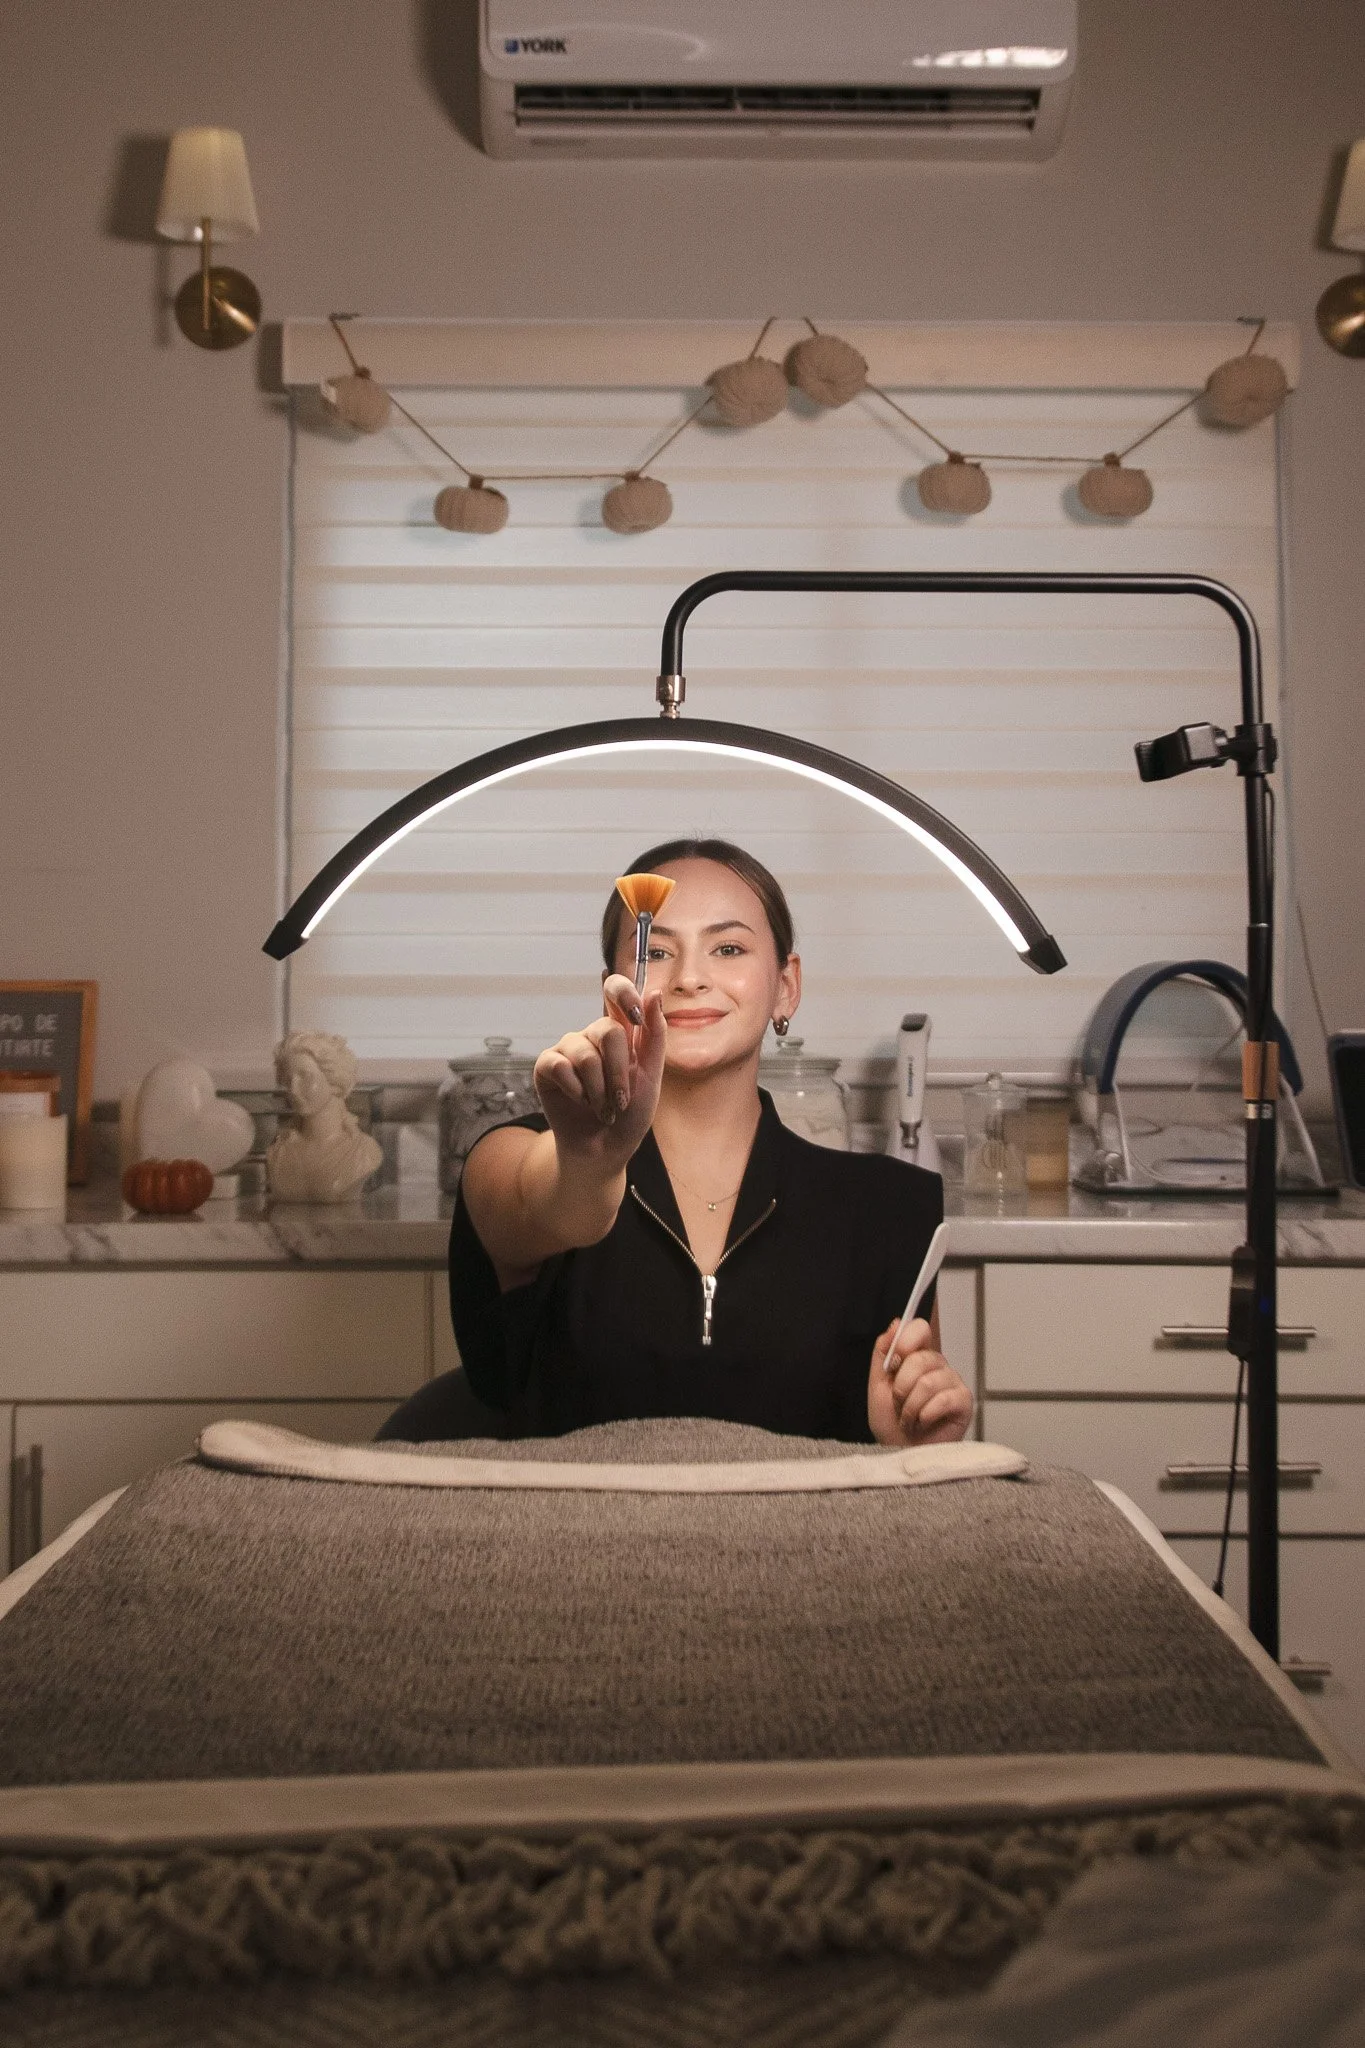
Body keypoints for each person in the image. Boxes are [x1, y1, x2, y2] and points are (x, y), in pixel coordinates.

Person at [378, 839, 973, 1446]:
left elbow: (911, 1476)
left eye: (729, 948)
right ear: (612, 989)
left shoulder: (888, 1214)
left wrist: (914, 1445)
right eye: (655, 951)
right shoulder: (506, 1158)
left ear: (786, 986)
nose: (689, 977)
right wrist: (593, 1159)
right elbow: (552, 1201)